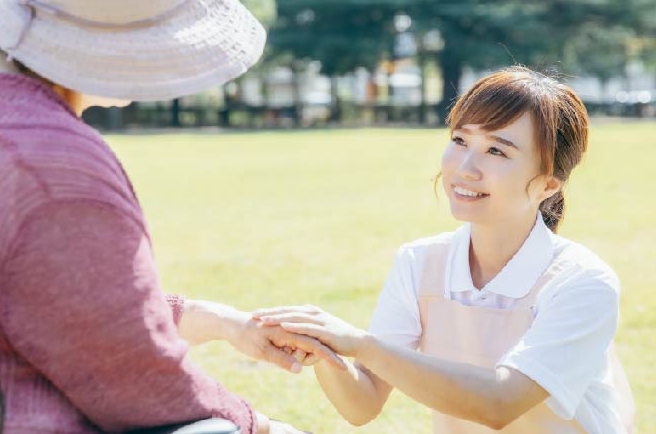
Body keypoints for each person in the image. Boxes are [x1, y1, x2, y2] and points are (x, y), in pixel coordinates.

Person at [0, 0, 344, 433]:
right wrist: (260, 426)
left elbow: (61, 307)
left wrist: (220, 322)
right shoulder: (58, 169)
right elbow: (136, 382)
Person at [254, 67, 636, 433]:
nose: (465, 167)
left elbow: (500, 402)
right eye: (459, 141)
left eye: (497, 151)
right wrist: (323, 346)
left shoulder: (582, 280)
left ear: (547, 186)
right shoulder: (420, 263)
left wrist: (362, 345)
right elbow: (362, 404)